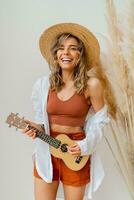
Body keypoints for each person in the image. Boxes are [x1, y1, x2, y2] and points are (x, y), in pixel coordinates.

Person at [23, 23, 116, 200]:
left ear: (80, 55)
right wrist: (35, 127)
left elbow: (101, 121)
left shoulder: (92, 85)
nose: (66, 53)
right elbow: (42, 123)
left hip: (76, 151)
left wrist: (83, 146)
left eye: (73, 48)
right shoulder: (42, 85)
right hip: (47, 149)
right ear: (55, 55)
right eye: (61, 48)